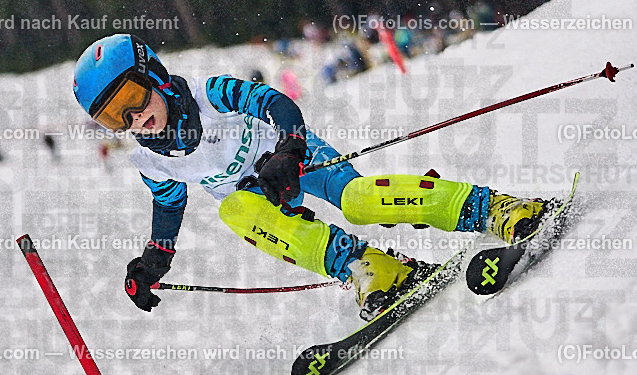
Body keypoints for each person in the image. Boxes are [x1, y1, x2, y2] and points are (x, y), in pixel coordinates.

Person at [71, 34, 548, 319]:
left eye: (131, 99)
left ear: (154, 75)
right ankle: (369, 268)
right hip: (257, 191)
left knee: (358, 199)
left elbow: (276, 103)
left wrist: (289, 147)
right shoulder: (154, 160)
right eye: (114, 118)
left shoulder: (209, 96)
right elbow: (169, 205)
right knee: (234, 209)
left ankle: (492, 208)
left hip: (293, 156)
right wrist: (154, 260)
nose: (133, 119)